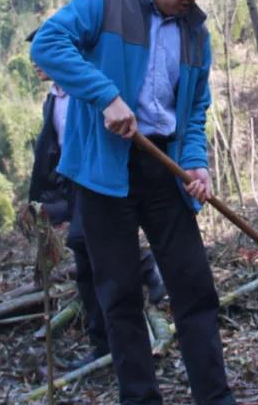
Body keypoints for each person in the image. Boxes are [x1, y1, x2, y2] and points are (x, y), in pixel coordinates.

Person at [31, 0, 255, 405]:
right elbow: (47, 44)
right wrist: (106, 96)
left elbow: (194, 109)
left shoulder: (195, 33)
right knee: (120, 292)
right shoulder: (105, 3)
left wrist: (195, 161)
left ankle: (215, 399)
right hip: (104, 172)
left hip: (163, 169)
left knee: (193, 284)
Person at [26, 31, 166, 373]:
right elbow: (53, 153)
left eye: (41, 55)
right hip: (75, 189)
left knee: (101, 261)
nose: (36, 63)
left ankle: (127, 337)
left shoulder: (84, 92)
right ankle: (103, 343)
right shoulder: (53, 99)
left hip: (102, 186)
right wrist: (52, 205)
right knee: (86, 261)